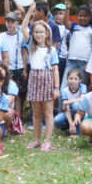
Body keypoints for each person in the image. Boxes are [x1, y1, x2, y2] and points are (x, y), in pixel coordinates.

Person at [23, 15, 59, 152]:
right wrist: (30, 12)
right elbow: (23, 27)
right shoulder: (31, 46)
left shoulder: (51, 50)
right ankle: (37, 140)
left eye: (41, 32)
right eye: (36, 32)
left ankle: (48, 141)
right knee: (36, 113)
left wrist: (56, 88)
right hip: (34, 78)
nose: (38, 35)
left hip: (47, 79)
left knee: (48, 113)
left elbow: (55, 69)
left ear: (47, 33)